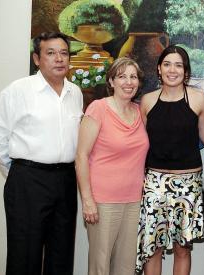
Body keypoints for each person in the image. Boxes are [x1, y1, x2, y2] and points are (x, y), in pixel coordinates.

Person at [0, 32, 83, 275]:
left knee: (61, 253)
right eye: (51, 53)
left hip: (64, 180)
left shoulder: (75, 92)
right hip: (28, 181)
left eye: (64, 53)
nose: (59, 59)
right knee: (25, 255)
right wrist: (19, 171)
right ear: (36, 58)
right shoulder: (18, 91)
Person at [136, 45, 204, 275]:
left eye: (178, 65)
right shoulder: (147, 101)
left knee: (182, 249)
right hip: (154, 185)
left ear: (185, 71)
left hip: (188, 186)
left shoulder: (198, 99)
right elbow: (139, 147)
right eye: (167, 64)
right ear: (159, 68)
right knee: (153, 248)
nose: (172, 70)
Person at [75, 57, 149, 275]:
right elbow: (81, 155)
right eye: (122, 76)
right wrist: (87, 200)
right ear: (111, 81)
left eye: (133, 77)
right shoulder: (98, 108)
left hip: (135, 201)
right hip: (103, 202)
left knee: (127, 267)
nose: (128, 82)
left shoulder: (139, 111)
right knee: (101, 265)